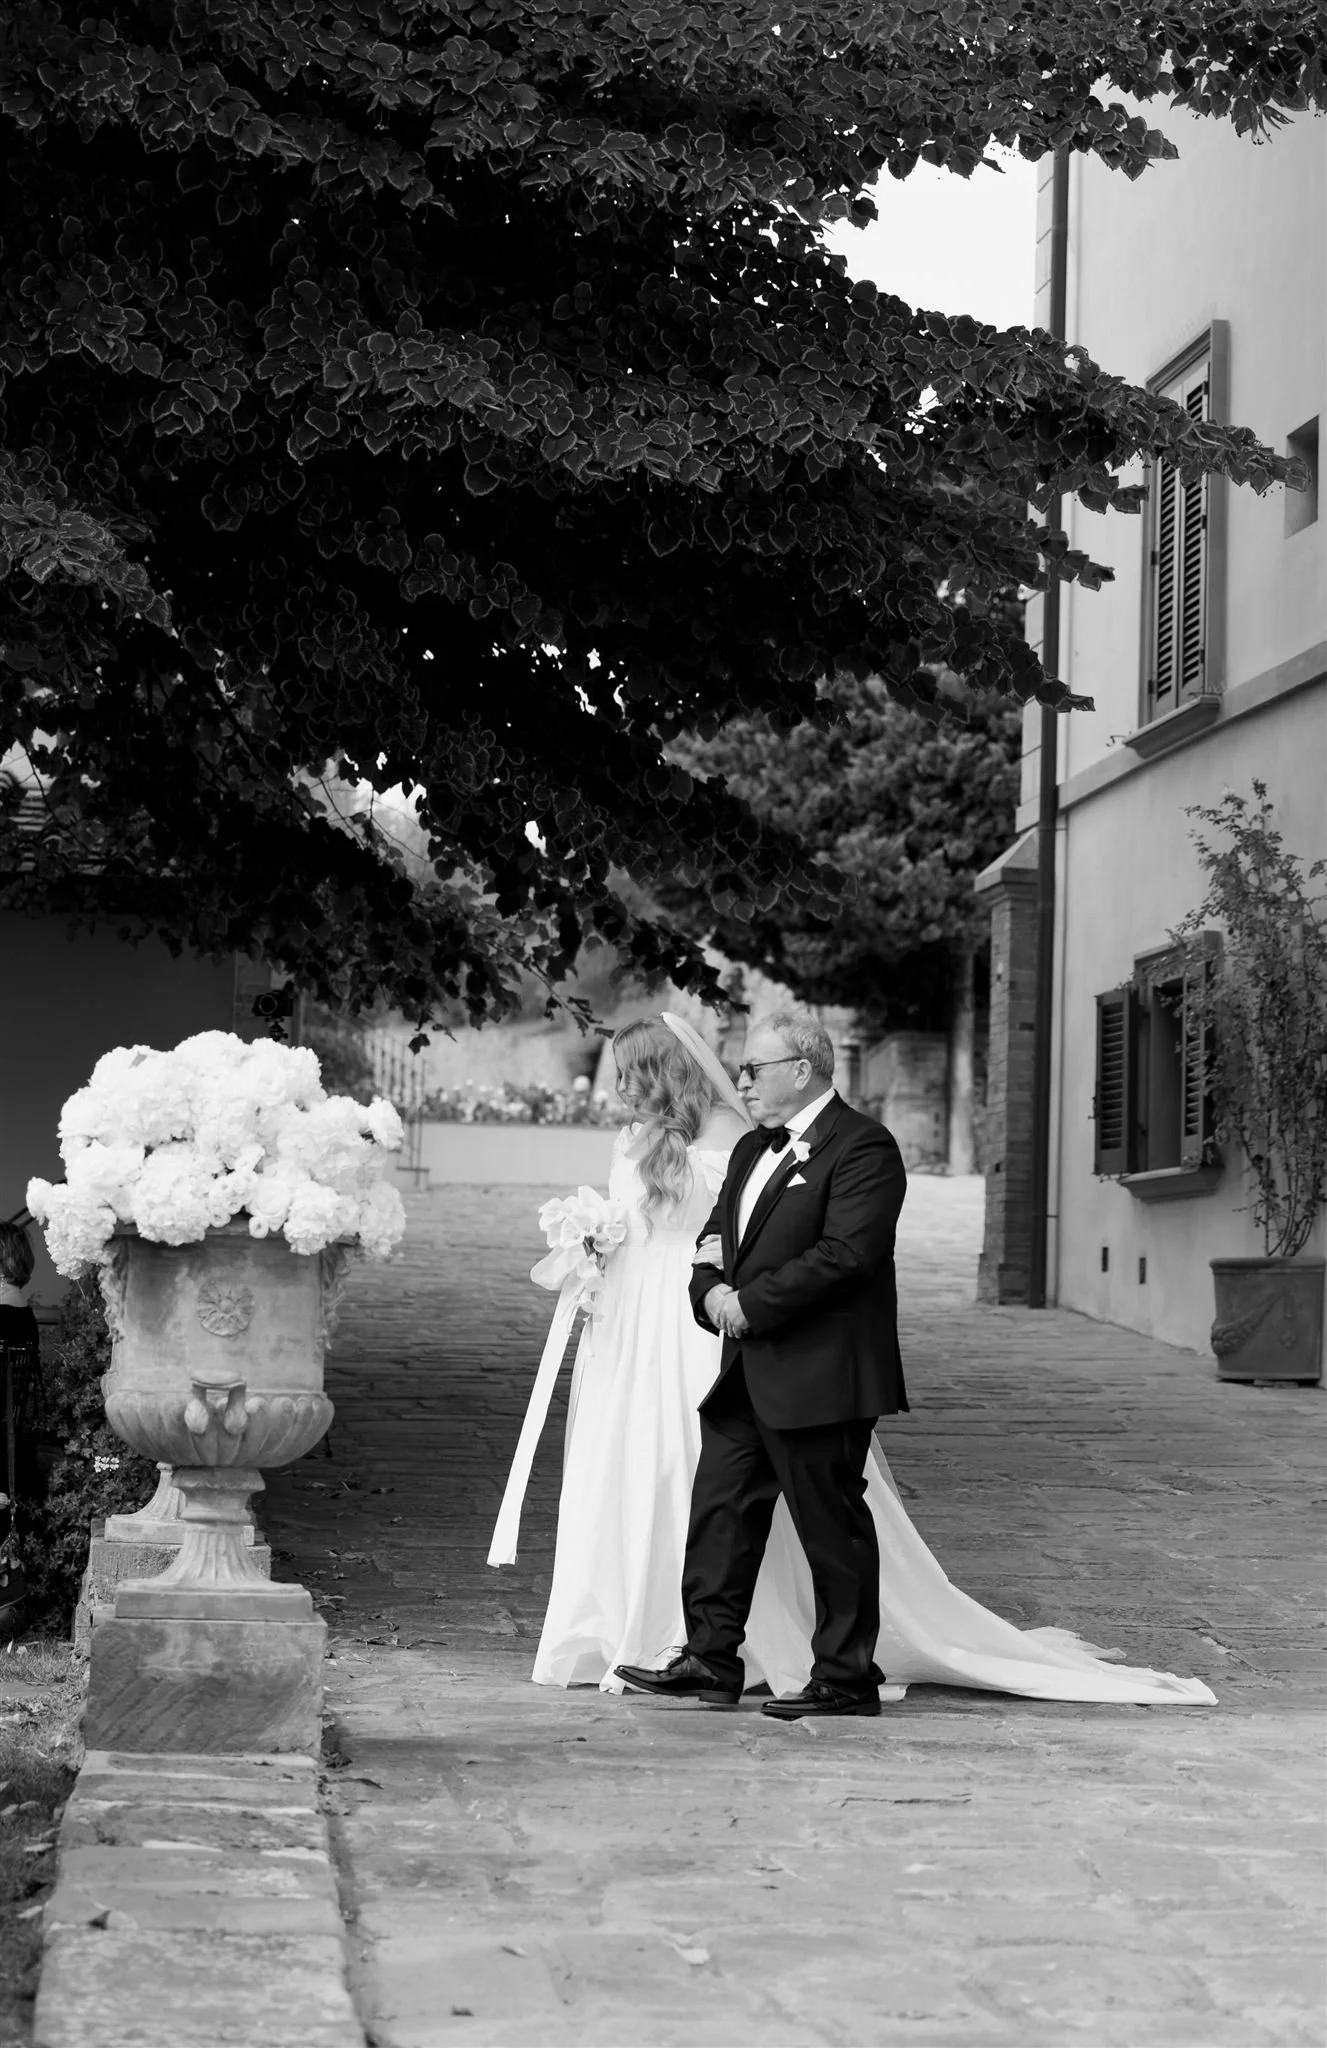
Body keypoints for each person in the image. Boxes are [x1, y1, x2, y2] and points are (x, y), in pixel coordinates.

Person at [501, 1012, 1216, 1710]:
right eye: (742, 1069)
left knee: (829, 1525)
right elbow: (715, 1239)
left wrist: (753, 1304)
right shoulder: (753, 1149)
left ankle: (844, 1677)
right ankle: (709, 1660)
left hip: (821, 1369)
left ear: (801, 1070)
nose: (741, 1080)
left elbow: (847, 1256)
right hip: (743, 1366)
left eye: (755, 1069)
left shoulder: (864, 1148)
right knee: (719, 1514)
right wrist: (710, 1291)